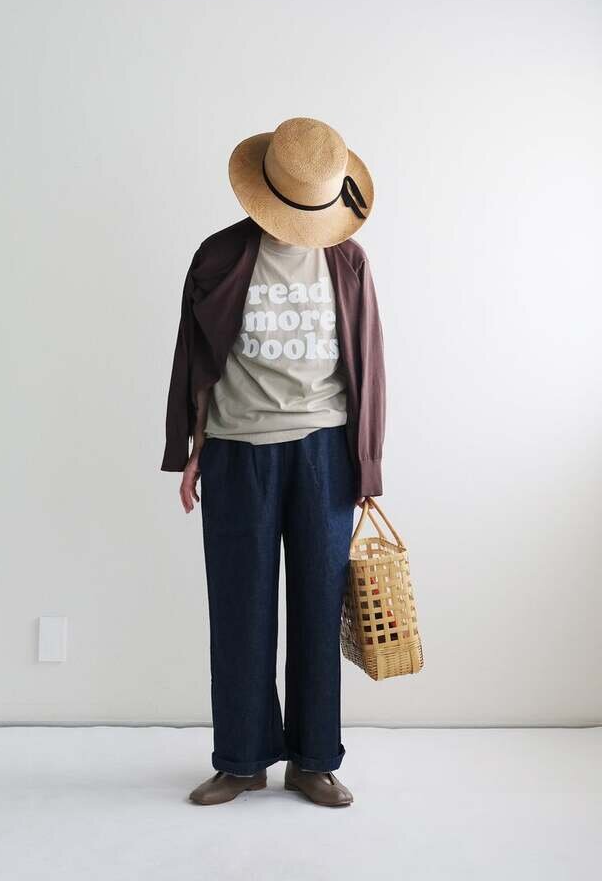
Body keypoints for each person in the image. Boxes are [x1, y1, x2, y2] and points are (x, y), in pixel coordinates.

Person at [161, 117, 386, 806]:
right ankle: (242, 759)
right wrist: (194, 449)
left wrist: (366, 466)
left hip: (324, 453)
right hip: (237, 452)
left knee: (319, 609)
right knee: (240, 607)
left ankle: (314, 760)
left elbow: (369, 367)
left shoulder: (347, 261)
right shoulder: (220, 257)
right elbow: (196, 360)